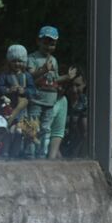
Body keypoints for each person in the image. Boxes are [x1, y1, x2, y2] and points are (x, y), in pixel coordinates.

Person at [27, 25, 72, 159]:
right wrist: (43, 70)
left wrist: (67, 77)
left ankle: (42, 154)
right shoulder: (32, 58)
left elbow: (55, 79)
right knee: (33, 127)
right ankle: (30, 153)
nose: (48, 47)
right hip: (36, 99)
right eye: (46, 43)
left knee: (46, 129)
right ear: (38, 41)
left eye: (52, 44)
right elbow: (29, 78)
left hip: (50, 100)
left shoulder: (54, 60)